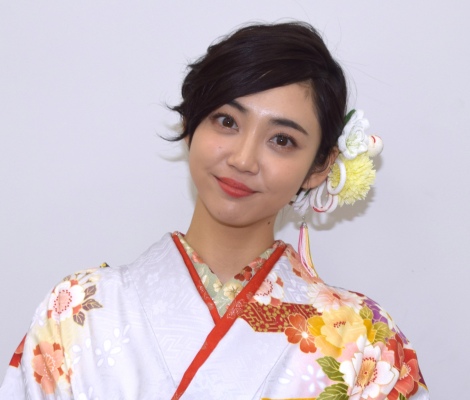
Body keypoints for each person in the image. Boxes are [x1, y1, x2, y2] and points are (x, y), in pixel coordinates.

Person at [0, 22, 429, 399]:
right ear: (190, 123)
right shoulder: (77, 309)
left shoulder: (365, 341)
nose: (243, 159)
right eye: (227, 121)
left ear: (319, 167)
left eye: (282, 140)